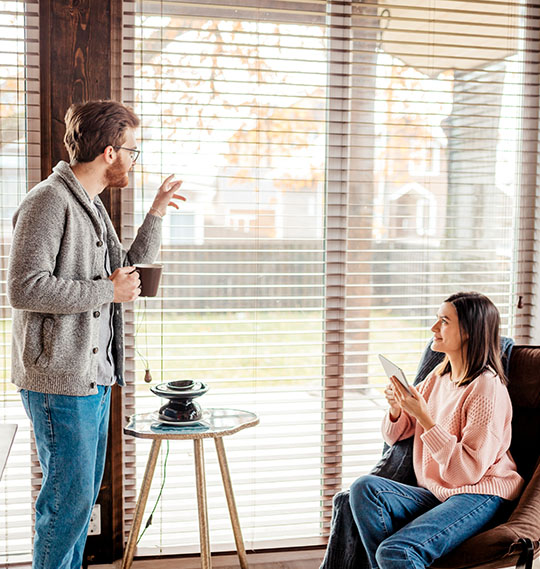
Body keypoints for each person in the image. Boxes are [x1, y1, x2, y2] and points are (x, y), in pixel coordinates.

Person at [7, 100, 184, 569]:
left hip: (92, 378)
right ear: (110, 152)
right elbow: (25, 289)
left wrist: (157, 214)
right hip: (59, 381)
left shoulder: (89, 205)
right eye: (132, 150)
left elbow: (125, 271)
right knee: (66, 507)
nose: (134, 158)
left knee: (78, 503)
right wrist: (105, 290)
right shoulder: (48, 201)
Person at [348, 291, 524, 569]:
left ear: (468, 331)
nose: (433, 328)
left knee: (397, 551)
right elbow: (395, 436)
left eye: (443, 321)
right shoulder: (439, 376)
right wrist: (397, 409)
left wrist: (425, 418)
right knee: (365, 488)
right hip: (438, 490)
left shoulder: (486, 388)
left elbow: (465, 473)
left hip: (480, 493)